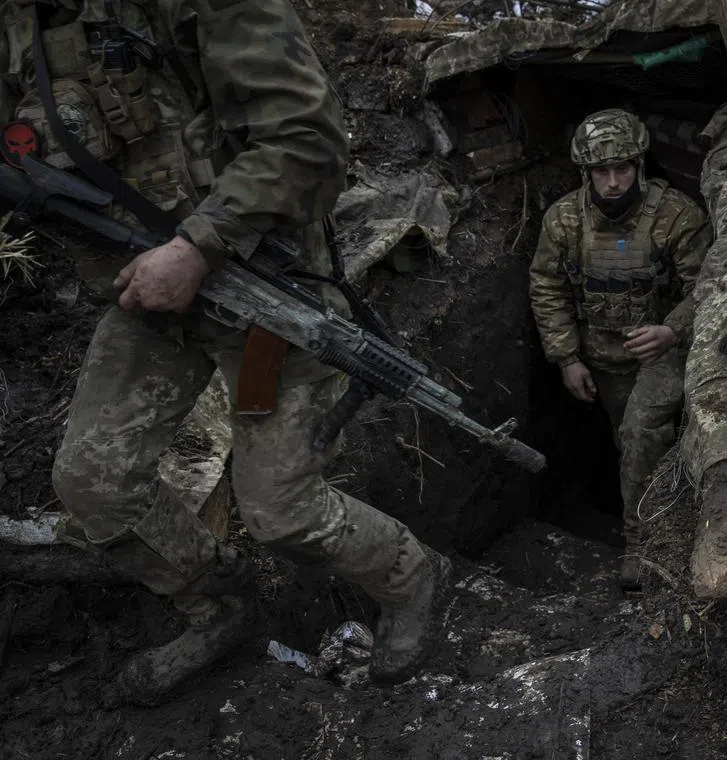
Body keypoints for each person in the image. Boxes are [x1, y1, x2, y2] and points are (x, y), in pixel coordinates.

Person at [0, 0, 447, 703]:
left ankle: (411, 578)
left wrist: (198, 244)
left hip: (262, 287)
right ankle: (219, 603)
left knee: (279, 509)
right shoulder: (20, 21)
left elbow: (311, 139)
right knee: (94, 485)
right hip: (144, 292)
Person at [529, 109, 711, 591]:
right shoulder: (565, 220)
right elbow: (546, 286)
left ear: (639, 165)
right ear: (585, 172)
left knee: (640, 432)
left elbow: (710, 286)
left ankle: (642, 543)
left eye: (622, 169)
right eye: (601, 171)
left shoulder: (677, 216)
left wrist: (672, 330)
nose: (612, 182)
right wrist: (566, 357)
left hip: (663, 354)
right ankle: (663, 512)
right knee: (628, 442)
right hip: (603, 358)